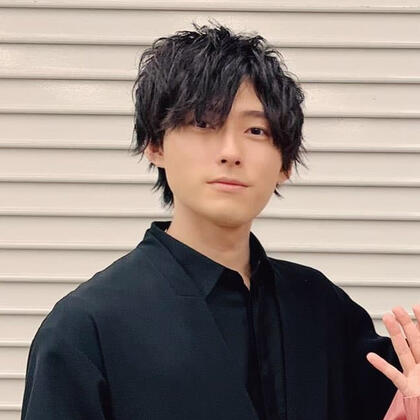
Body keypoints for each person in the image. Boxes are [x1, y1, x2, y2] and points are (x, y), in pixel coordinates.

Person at [21, 21, 419, 419]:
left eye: (256, 130)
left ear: (285, 164)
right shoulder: (87, 327)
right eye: (202, 123)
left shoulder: (321, 308)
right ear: (155, 144)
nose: (231, 152)